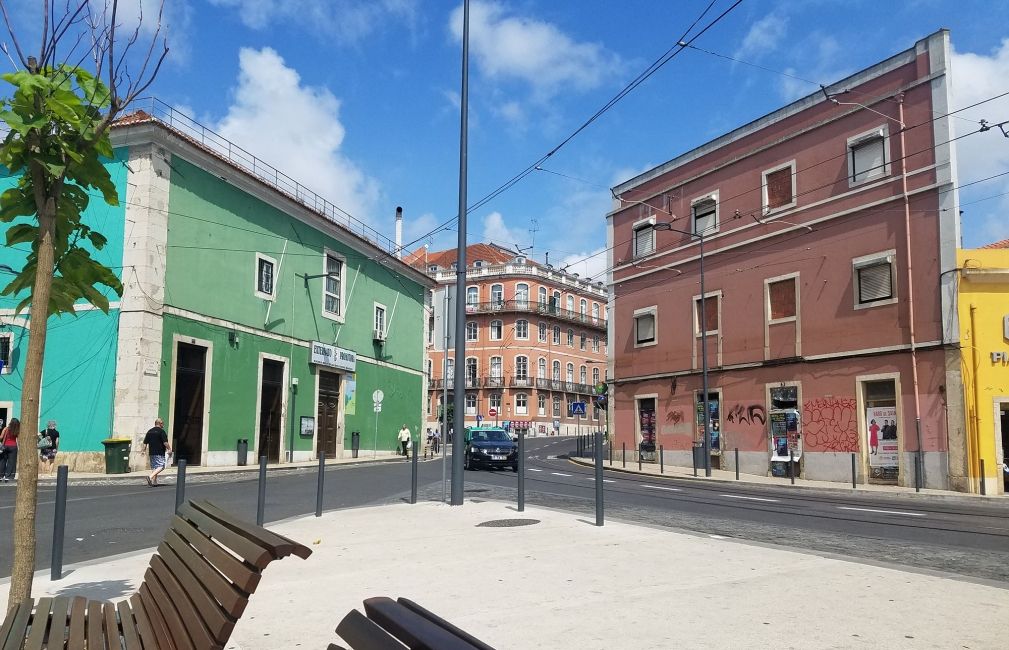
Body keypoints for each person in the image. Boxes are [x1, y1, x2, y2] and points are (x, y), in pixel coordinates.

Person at [143, 418, 171, 486]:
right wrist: (169, 449)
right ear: (160, 424)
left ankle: (154, 482)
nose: (163, 425)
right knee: (162, 466)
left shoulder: (149, 431)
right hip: (159, 452)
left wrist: (143, 450)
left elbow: (145, 442)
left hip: (152, 452)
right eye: (162, 423)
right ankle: (150, 477)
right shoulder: (161, 431)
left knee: (155, 467)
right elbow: (165, 442)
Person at [0, 417, 19, 482]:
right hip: (13, 446)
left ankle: (1, 475)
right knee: (11, 462)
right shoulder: (17, 430)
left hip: (5, 446)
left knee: (2, 461)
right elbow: (19, 439)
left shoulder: (6, 428)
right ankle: (8, 476)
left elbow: (1, 437)